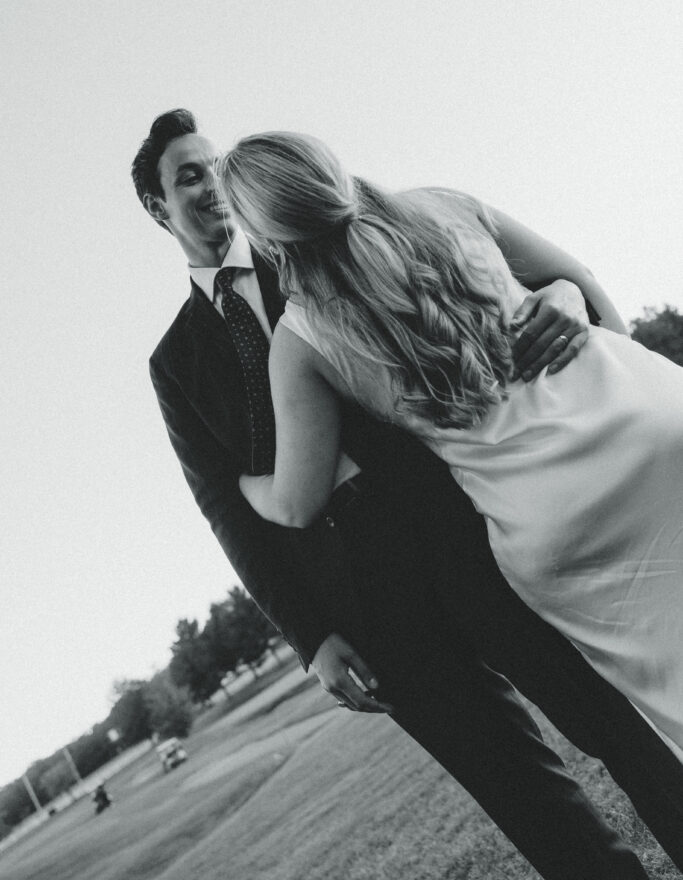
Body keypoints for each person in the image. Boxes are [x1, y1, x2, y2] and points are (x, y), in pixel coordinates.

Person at [132, 110, 683, 880]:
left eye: (216, 165)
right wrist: (309, 635)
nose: (211, 184)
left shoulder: (324, 243)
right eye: (188, 175)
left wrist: (559, 293)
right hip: (364, 594)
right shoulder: (174, 363)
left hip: (469, 525)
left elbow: (505, 304)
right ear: (158, 209)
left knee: (608, 722)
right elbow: (223, 509)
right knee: (518, 792)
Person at [219, 129, 683, 767]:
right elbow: (577, 279)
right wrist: (622, 373)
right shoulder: (446, 205)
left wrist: (243, 485)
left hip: (557, 525)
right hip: (656, 423)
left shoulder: (300, 340)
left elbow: (298, 502)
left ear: (261, 233)